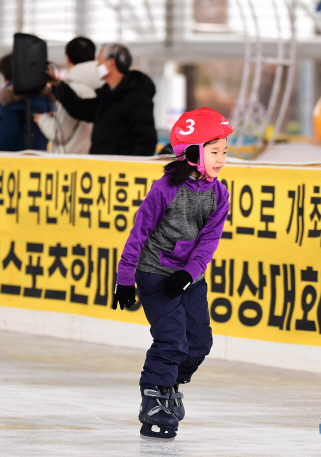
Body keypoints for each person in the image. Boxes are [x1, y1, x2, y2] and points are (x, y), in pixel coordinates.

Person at [111, 107, 233, 440]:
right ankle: (154, 396)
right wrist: (125, 279)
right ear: (193, 153)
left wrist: (190, 273)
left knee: (200, 342)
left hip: (188, 278)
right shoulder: (165, 189)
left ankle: (169, 384)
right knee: (172, 339)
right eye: (215, 152)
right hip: (154, 273)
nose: (222, 159)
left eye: (224, 151)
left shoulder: (219, 194)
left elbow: (209, 241)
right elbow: (139, 232)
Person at [49, 43, 157, 156]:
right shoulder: (106, 96)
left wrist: (129, 168)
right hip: (101, 169)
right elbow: (80, 108)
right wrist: (57, 84)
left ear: (111, 63)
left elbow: (146, 142)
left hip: (122, 171)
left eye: (99, 61)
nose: (97, 66)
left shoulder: (137, 99)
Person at [0, 37, 102, 154]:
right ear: (94, 58)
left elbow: (59, 133)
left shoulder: (72, 89)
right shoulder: (105, 87)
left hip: (70, 162)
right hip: (94, 160)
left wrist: (42, 119)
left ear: (67, 59)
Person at [0, 53, 52, 151]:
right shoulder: (45, 100)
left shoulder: (11, 103)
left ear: (5, 78)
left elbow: (0, 146)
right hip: (41, 161)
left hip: (16, 164)